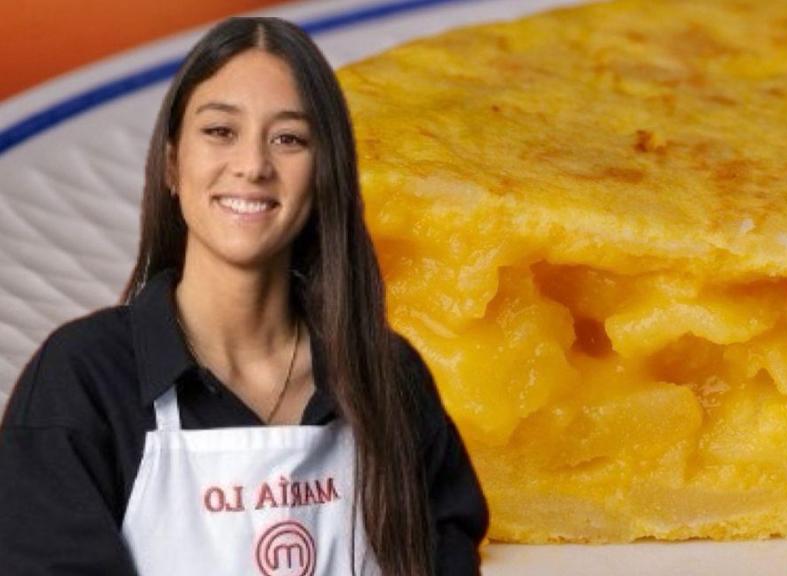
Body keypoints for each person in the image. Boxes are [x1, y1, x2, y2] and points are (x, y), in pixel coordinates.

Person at [0, 16, 488, 576]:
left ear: (325, 173)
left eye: (289, 139)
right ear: (171, 164)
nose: (253, 166)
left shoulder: (390, 377)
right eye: (220, 131)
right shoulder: (84, 380)